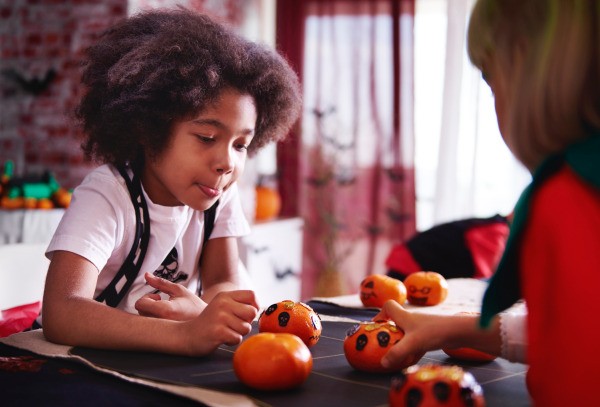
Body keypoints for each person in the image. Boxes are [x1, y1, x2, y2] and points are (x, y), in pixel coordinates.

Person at [40, 8, 301, 356]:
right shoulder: (107, 195)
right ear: (151, 130)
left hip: (158, 365)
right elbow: (62, 311)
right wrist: (184, 335)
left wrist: (214, 310)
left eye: (241, 144)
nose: (226, 162)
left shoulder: (219, 194)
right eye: (207, 137)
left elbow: (222, 279)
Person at [376, 0, 600, 405]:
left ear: (531, 74)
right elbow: (568, 330)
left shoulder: (566, 200)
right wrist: (451, 329)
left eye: (490, 78)